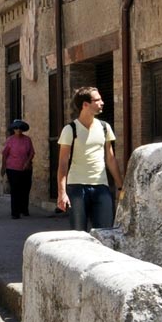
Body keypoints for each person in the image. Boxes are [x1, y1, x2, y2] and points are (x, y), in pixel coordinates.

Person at [55, 86, 124, 231]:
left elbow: (111, 159)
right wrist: (62, 193)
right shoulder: (70, 130)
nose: (102, 102)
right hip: (76, 187)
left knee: (105, 233)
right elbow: (62, 163)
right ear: (85, 105)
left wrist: (120, 186)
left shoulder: (105, 127)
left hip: (101, 186)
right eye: (97, 100)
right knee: (79, 234)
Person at [2, 120, 35, 219]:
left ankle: (24, 209)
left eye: (20, 128)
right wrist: (3, 167)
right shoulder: (10, 140)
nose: (18, 130)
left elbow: (31, 153)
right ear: (13, 129)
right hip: (12, 168)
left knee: (25, 189)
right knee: (15, 190)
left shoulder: (27, 140)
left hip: (26, 169)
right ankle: (15, 212)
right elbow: (5, 154)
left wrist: (27, 162)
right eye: (16, 128)